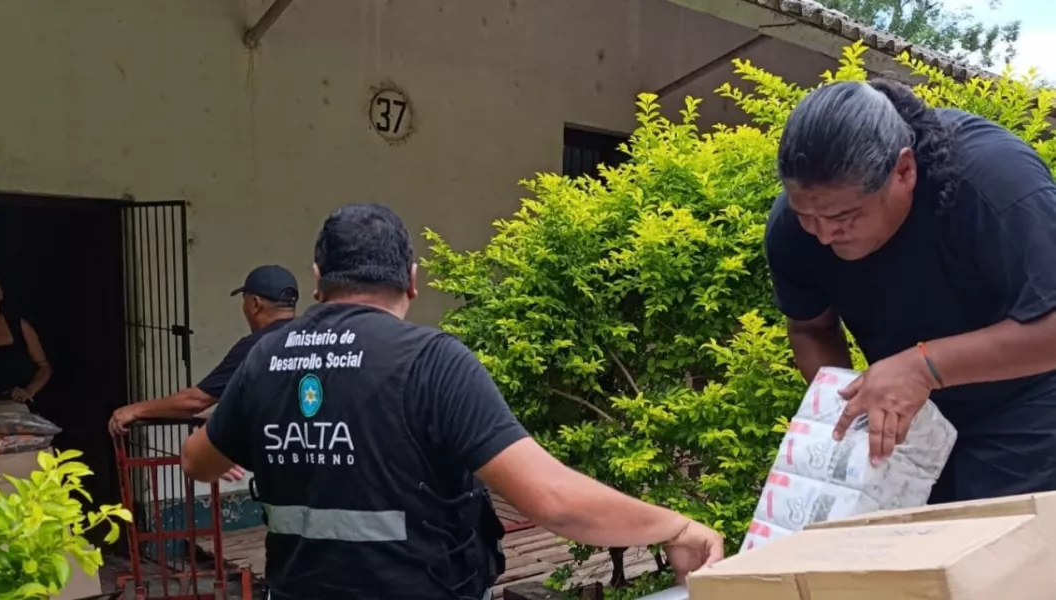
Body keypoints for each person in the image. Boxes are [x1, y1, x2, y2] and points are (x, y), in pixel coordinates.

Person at [180, 204, 724, 600]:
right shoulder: (430, 361)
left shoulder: (266, 357)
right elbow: (552, 499)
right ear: (412, 281)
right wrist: (675, 526)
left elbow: (198, 461)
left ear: (318, 281)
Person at [764, 78, 1056, 504]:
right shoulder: (793, 229)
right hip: (919, 420)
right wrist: (848, 411)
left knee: (1003, 540)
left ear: (904, 171)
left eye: (844, 217)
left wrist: (922, 367)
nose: (824, 235)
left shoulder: (996, 182)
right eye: (808, 217)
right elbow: (811, 328)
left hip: (1032, 398)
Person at [109, 265, 299, 436]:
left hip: (276, 454)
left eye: (245, 301)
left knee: (194, 454)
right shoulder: (311, 338)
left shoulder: (258, 346)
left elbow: (195, 401)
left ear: (255, 304)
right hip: (311, 451)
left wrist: (136, 410)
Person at [0, 268, 52, 403]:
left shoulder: (19, 326)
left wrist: (29, 390)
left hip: (13, 406)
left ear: (1, 293)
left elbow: (44, 367)